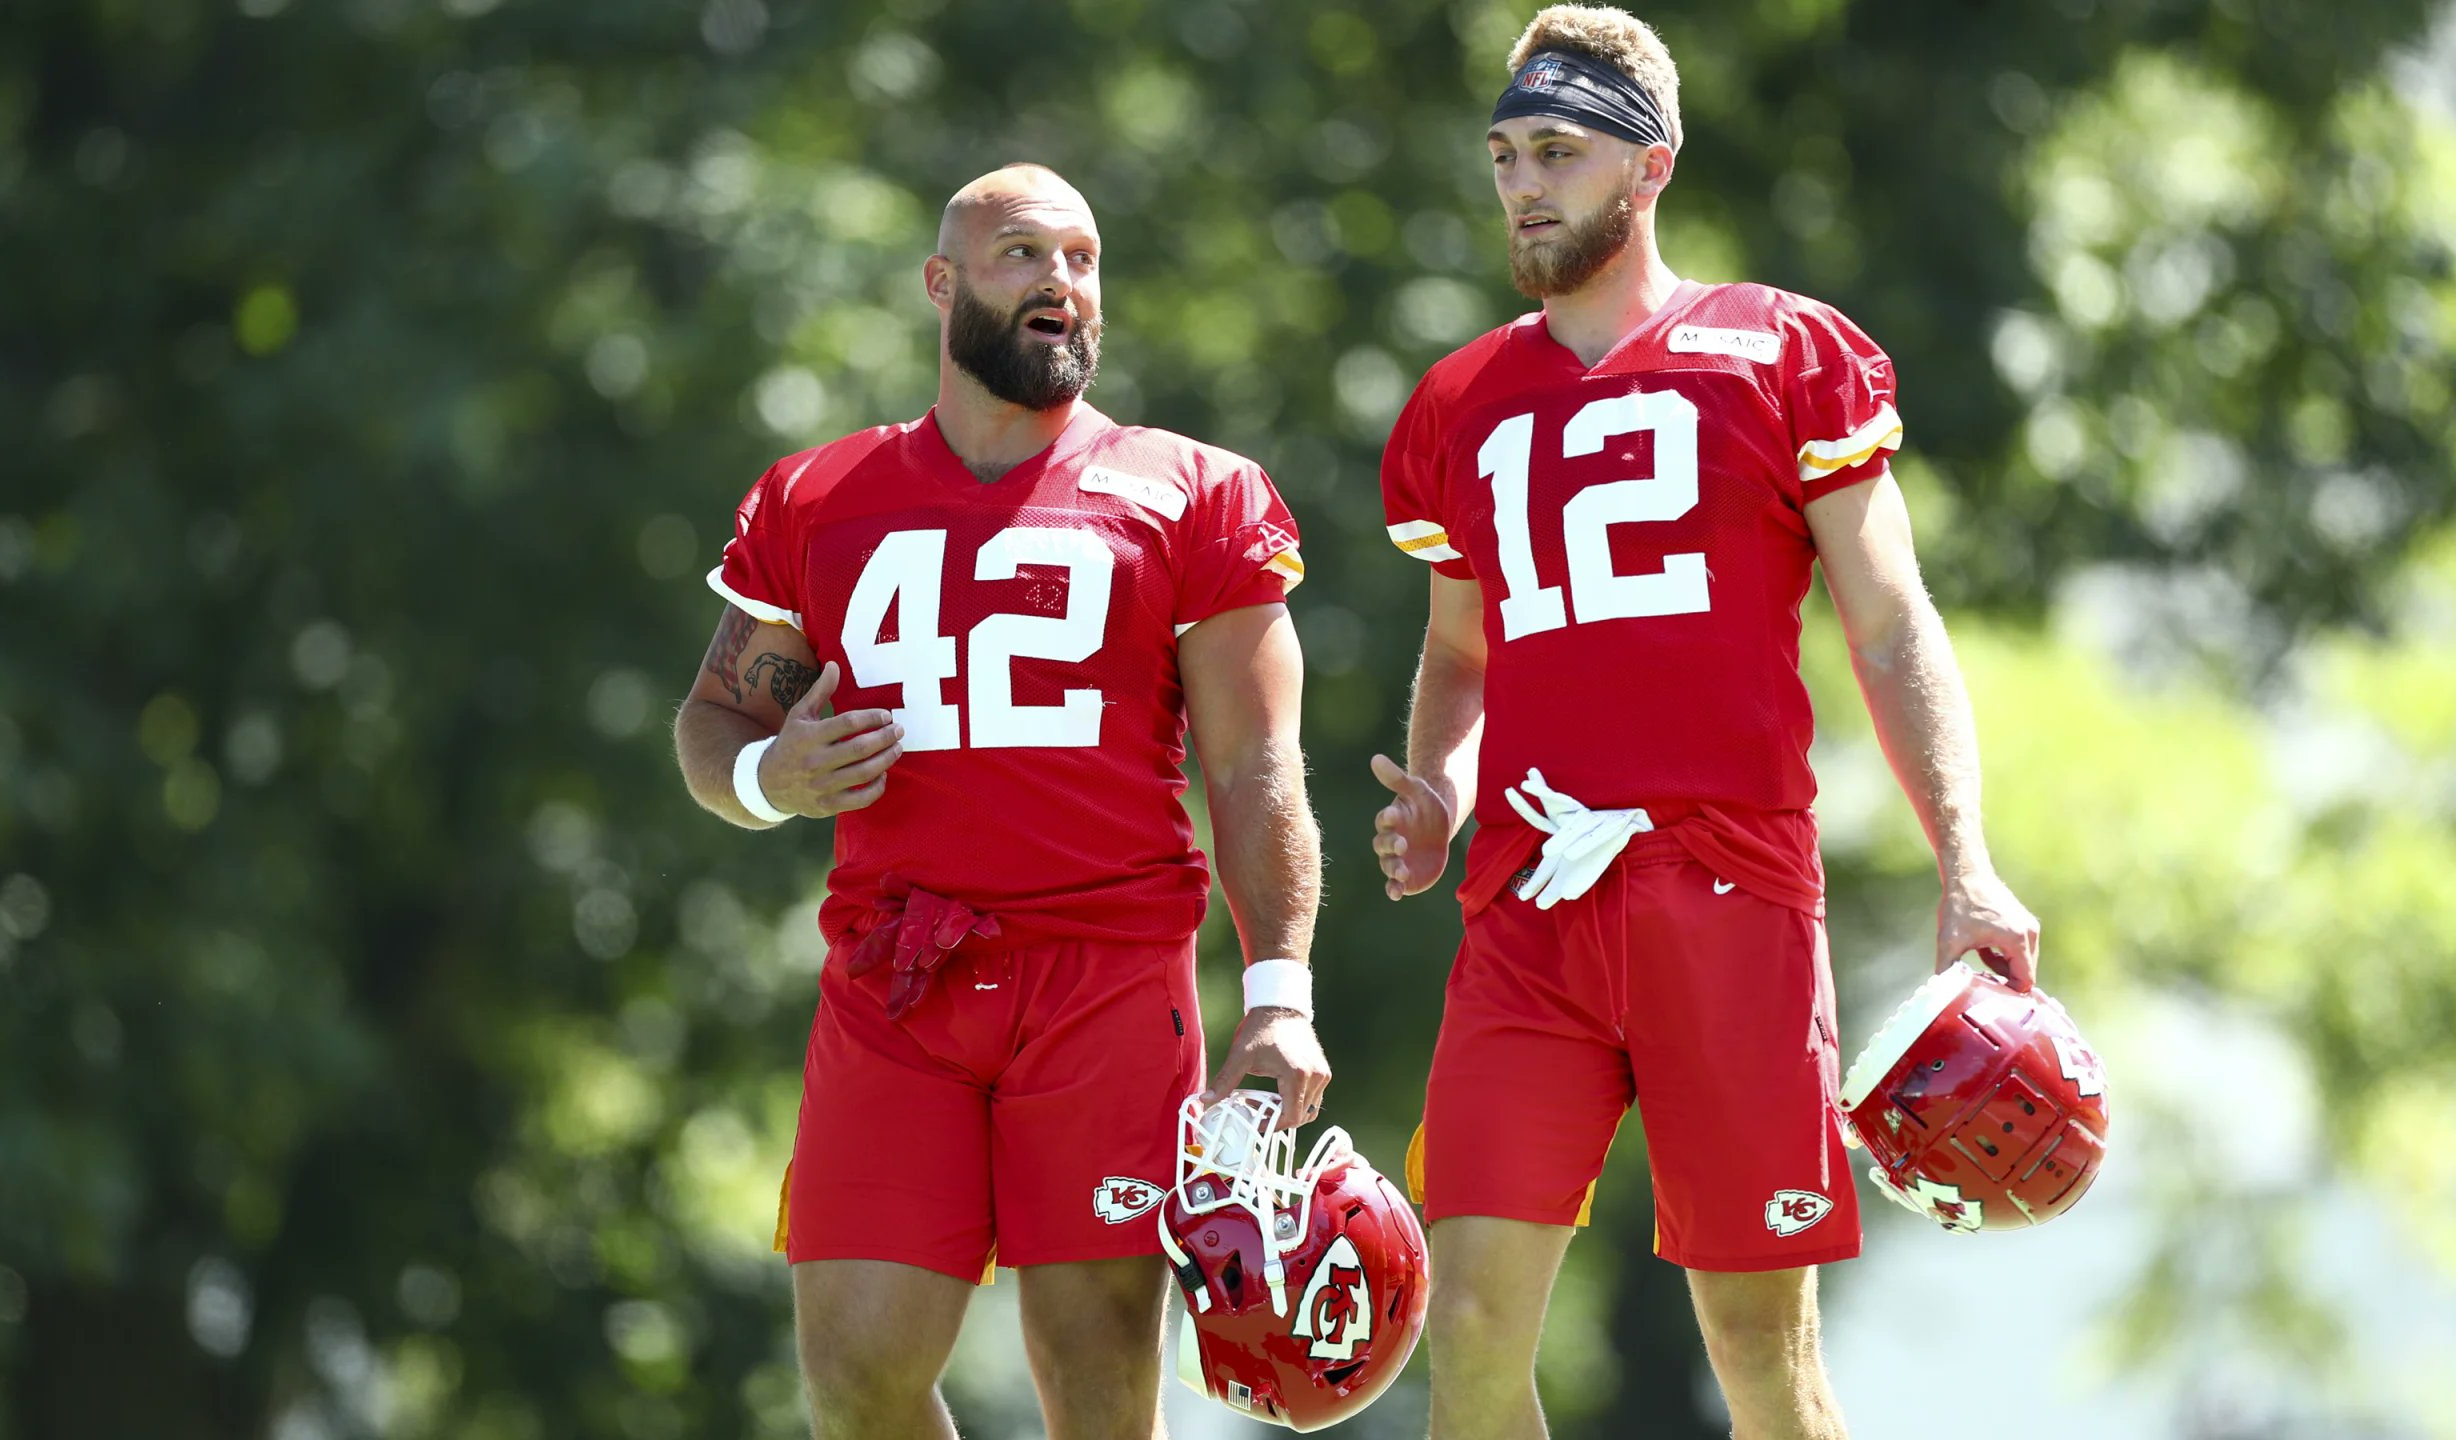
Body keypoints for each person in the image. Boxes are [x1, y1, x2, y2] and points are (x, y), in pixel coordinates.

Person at [1365, 9, 2041, 1437]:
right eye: (1505, 154)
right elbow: (1460, 652)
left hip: (1726, 895)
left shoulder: (1782, 351)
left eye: (1558, 151)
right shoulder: (1456, 402)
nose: (1523, 184)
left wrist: (1966, 862)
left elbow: (1890, 624)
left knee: (1760, 1357)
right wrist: (1437, 787)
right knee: (1469, 1332)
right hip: (1530, 907)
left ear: (1649, 166)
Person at [672, 162, 1331, 1440]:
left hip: (1104, 978)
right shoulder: (819, 496)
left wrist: (1279, 995)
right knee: (855, 1372)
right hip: (896, 974)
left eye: (1082, 259)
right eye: (1023, 253)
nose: (1061, 283)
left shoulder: (1194, 490)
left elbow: (1256, 767)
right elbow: (713, 719)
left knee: (1096, 1387)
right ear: (941, 283)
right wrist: (766, 777)